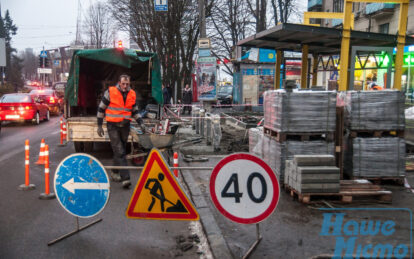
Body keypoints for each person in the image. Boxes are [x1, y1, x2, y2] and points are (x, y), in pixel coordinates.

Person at [96, 74, 145, 189]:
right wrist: (99, 125)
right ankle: (126, 178)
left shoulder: (132, 93)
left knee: (119, 151)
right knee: (120, 151)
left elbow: (135, 111)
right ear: (119, 82)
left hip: (125, 126)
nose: (125, 86)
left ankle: (114, 172)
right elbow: (101, 108)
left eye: (127, 84)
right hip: (113, 126)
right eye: (123, 84)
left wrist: (141, 123)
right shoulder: (111, 92)